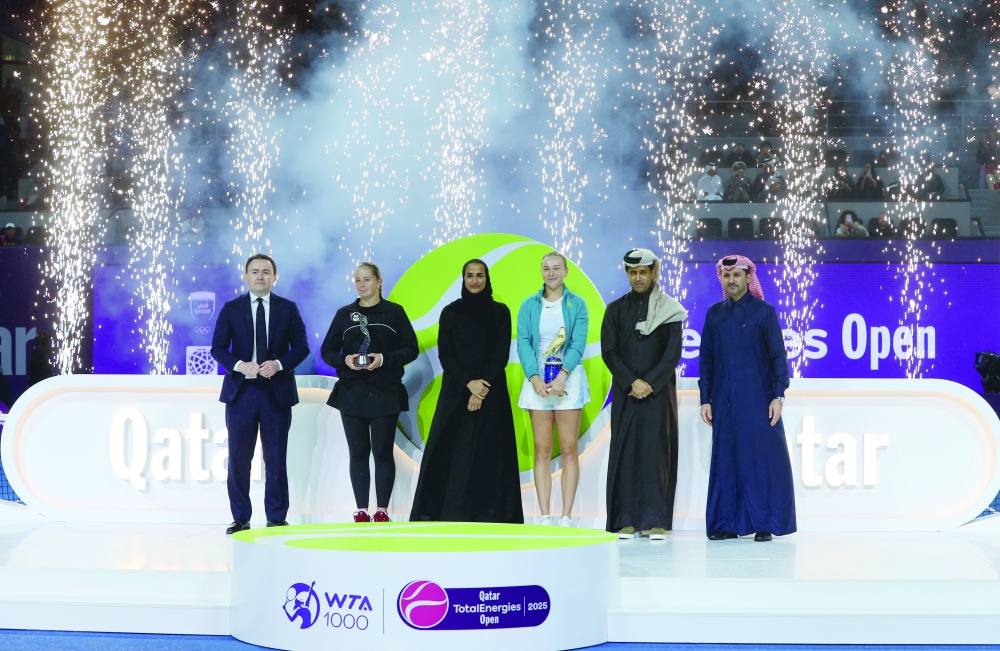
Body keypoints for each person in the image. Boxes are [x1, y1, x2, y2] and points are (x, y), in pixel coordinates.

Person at [409, 259, 523, 524]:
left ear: (487, 278)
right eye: (469, 275)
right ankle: (450, 514)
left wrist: (481, 388)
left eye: (479, 275)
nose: (474, 280)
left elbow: (501, 354)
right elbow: (446, 354)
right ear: (463, 279)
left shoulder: (500, 312)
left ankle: (491, 517)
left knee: (490, 456)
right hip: (456, 393)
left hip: (491, 393)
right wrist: (469, 384)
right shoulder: (451, 312)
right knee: (452, 454)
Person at [698, 255, 796, 542]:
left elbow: (778, 357)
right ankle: (726, 524)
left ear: (748, 277)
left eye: (737, 275)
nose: (731, 280)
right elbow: (707, 361)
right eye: (726, 276)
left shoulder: (764, 312)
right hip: (724, 401)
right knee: (726, 460)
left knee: (760, 460)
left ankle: (763, 523)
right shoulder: (714, 314)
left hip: (759, 400)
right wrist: (705, 399)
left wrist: (778, 395)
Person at [211, 253, 310, 534]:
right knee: (239, 459)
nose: (260, 276)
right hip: (241, 393)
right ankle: (241, 517)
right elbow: (217, 348)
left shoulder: (287, 308)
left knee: (275, 458)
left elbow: (301, 347)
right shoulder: (232, 308)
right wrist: (240, 365)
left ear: (274, 277)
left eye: (266, 272)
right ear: (245, 276)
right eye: (254, 271)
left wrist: (278, 364)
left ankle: (276, 517)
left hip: (276, 393)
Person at [321, 262, 418, 523]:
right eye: (357, 280)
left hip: (385, 391)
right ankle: (362, 510)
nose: (361, 284)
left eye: (366, 279)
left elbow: (411, 348)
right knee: (358, 452)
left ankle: (382, 510)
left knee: (383, 452)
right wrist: (345, 360)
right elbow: (327, 351)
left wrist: (383, 359)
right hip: (351, 392)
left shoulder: (394, 312)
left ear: (379, 282)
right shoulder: (344, 314)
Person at [601, 248, 686, 541]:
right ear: (627, 274)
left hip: (657, 394)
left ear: (653, 272)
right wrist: (631, 382)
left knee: (655, 453)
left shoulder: (670, 310)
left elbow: (672, 354)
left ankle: (656, 520)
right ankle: (625, 520)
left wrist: (648, 383)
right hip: (626, 393)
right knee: (625, 453)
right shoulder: (615, 310)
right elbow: (609, 352)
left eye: (643, 272)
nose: (638, 278)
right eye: (633, 273)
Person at [516, 251, 590, 527]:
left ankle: (566, 516)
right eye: (546, 268)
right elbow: (524, 342)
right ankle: (545, 515)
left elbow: (578, 344)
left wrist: (563, 376)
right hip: (537, 385)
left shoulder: (577, 304)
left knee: (569, 449)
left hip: (567, 383)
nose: (551, 273)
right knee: (542, 450)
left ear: (566, 271)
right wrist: (534, 377)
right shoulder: (529, 305)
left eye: (557, 268)